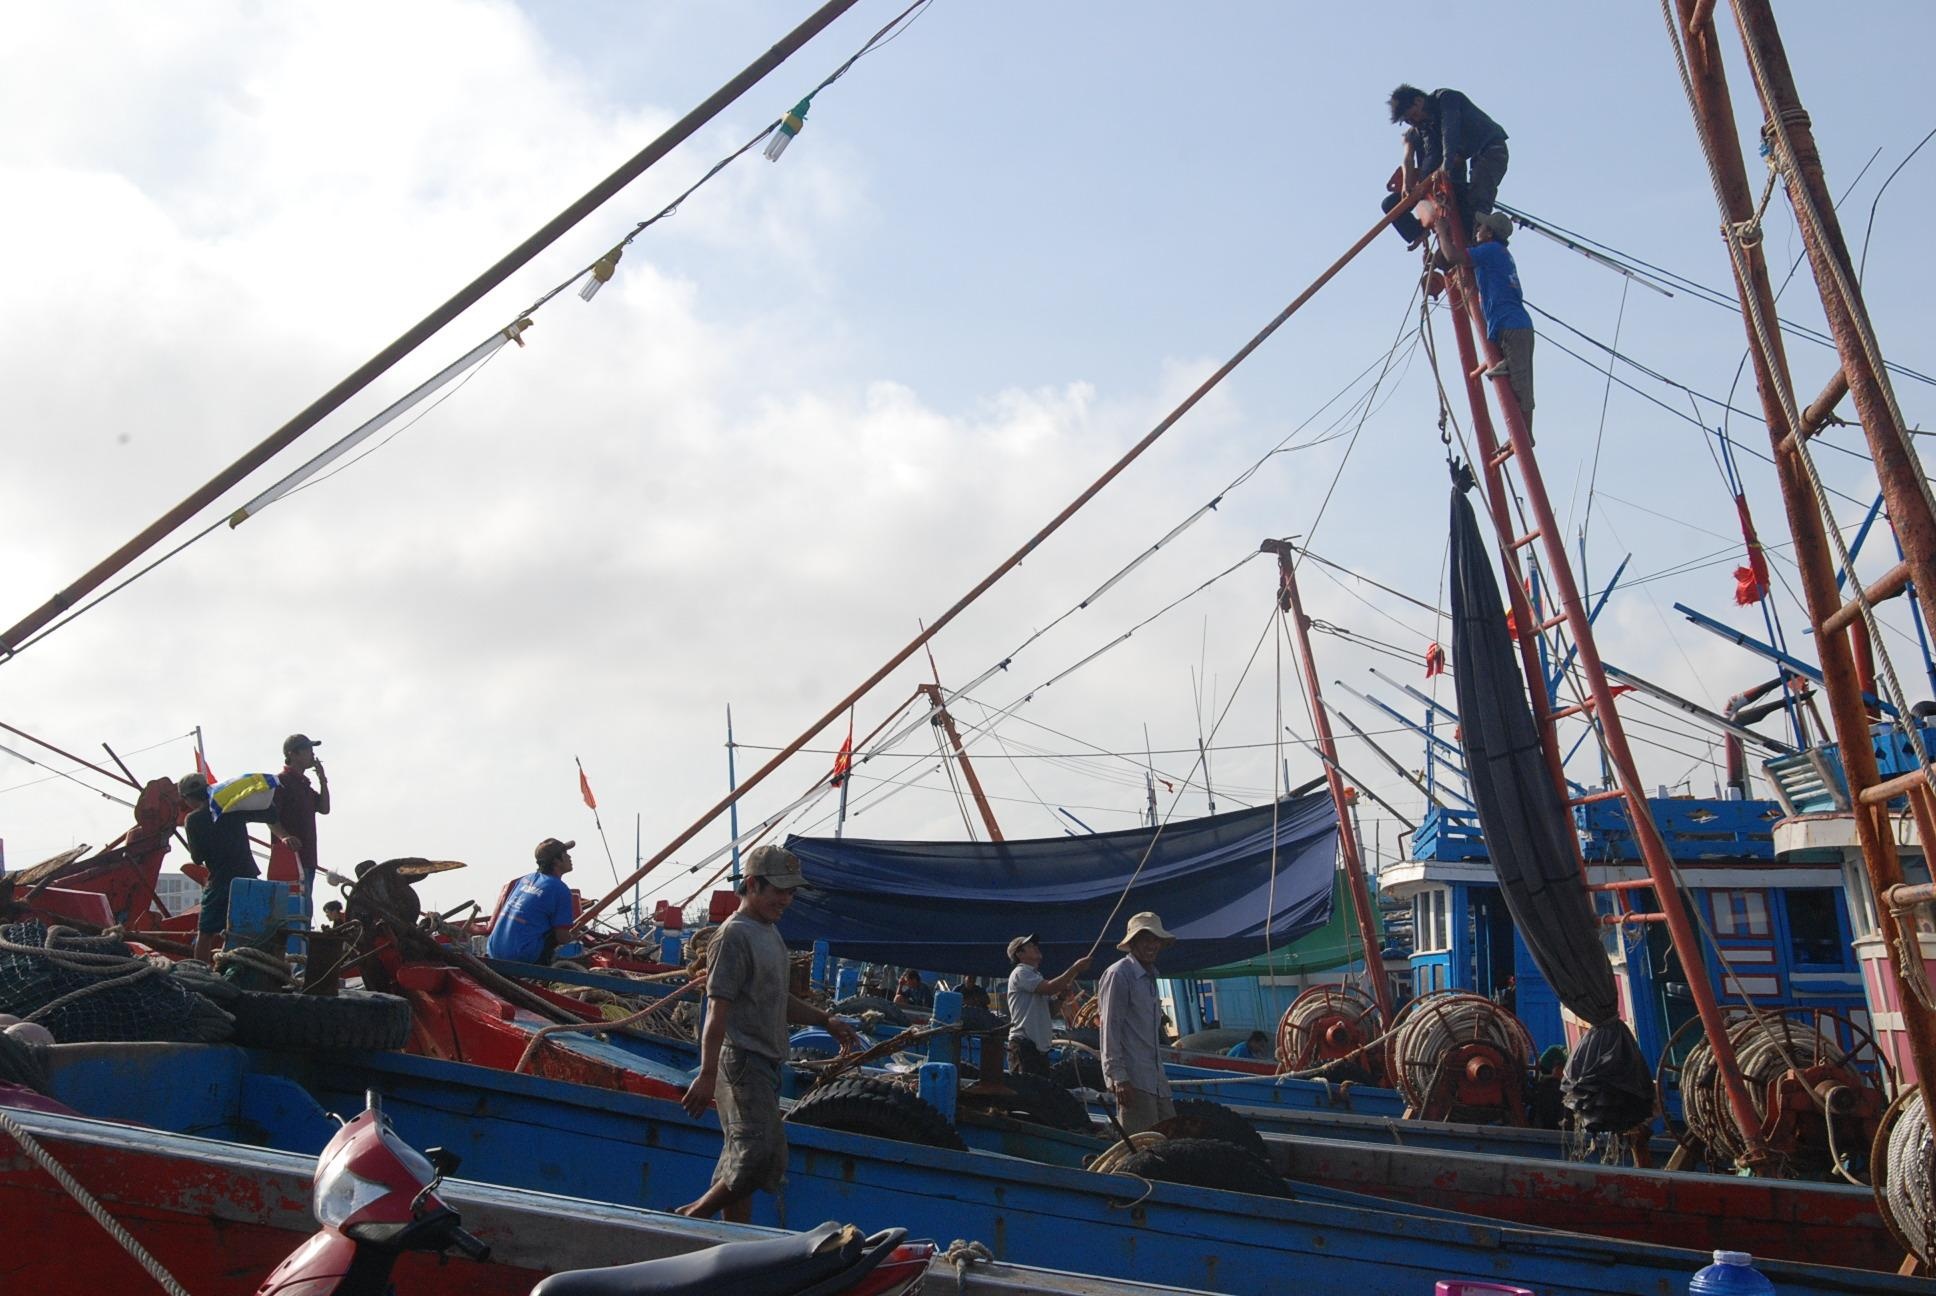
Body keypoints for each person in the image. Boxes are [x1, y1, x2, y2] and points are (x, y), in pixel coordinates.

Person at [678, 845, 860, 1222]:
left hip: (766, 1062)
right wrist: (707, 1073)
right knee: (756, 1156)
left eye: (792, 891)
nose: (787, 899)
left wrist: (826, 1020)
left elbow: (780, 999)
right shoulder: (733, 936)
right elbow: (717, 1008)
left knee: (747, 1159)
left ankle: (730, 1240)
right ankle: (692, 1217)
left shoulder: (769, 934)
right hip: (742, 1060)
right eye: (779, 890)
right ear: (752, 885)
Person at [1381, 83, 1509, 248]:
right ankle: (1419, 233)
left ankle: (1476, 245)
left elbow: (1450, 132)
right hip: (1459, 159)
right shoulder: (1423, 127)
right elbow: (1423, 157)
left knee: (1478, 198)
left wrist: (1445, 166)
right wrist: (1410, 186)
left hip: (1489, 147)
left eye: (1412, 116)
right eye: (1408, 121)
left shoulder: (1446, 99)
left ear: (1419, 101)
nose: (1413, 122)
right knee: (1391, 205)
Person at [179, 772, 285, 964]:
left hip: (220, 881)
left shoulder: (193, 820)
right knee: (257, 929)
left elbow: (197, 858)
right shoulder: (230, 808)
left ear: (188, 798)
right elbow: (270, 813)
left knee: (206, 933)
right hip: (248, 877)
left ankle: (202, 972)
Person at [1096, 912, 1177, 1134]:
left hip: (1155, 1078)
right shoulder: (1120, 974)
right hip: (1133, 1079)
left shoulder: (1150, 977)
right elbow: (1109, 1029)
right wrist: (1119, 1078)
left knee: (1169, 1137)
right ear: (1133, 942)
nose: (1152, 945)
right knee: (1142, 1145)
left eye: (1156, 940)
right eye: (1146, 939)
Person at [1468, 211, 1536, 432]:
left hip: (1512, 326)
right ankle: (1524, 434)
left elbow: (1453, 256)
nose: (1477, 230)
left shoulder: (1489, 251)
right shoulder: (1497, 252)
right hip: (1509, 325)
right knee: (1520, 382)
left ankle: (1526, 435)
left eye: (1481, 228)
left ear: (1489, 234)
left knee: (1521, 386)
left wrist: (1440, 229)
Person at [1005, 935, 1093, 1079]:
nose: (1035, 946)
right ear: (1019, 954)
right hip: (1025, 1045)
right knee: (1027, 1094)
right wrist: (1075, 968)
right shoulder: (1021, 972)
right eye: (1030, 945)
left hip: (1037, 1048)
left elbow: (1050, 1011)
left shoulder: (1035, 976)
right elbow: (1049, 988)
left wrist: (1061, 997)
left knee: (1039, 1093)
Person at [486, 838, 578, 964]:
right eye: (565, 854)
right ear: (556, 861)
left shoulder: (525, 880)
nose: (569, 857)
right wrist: (574, 938)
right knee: (563, 939)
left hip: (493, 951)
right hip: (520, 957)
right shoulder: (559, 889)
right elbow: (562, 937)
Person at [272, 734, 331, 900]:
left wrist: (323, 780)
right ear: (293, 754)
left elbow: (324, 808)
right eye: (308, 750)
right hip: (290, 860)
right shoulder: (281, 781)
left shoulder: (304, 784)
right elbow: (270, 817)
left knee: (305, 907)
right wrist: (284, 836)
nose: (312, 754)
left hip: (308, 856)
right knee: (294, 909)